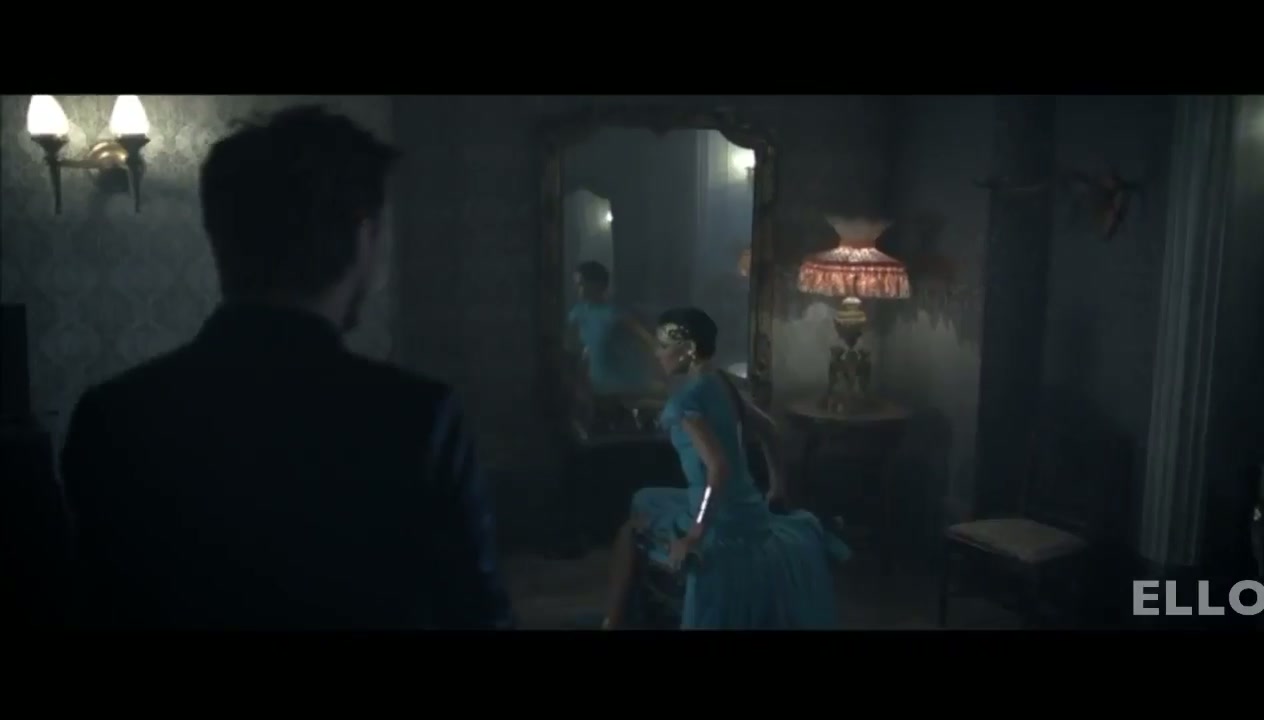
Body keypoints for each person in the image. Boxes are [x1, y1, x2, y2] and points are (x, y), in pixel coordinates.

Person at [60, 106, 513, 630]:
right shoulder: (418, 419)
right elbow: (479, 618)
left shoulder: (112, 417)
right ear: (363, 237)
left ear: (217, 235)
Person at [602, 307, 848, 629]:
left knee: (631, 528)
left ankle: (613, 622)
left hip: (720, 520)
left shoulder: (685, 403)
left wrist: (696, 533)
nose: (657, 353)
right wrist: (777, 488)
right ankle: (640, 614)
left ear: (689, 348)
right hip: (750, 511)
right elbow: (770, 430)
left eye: (663, 345)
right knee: (645, 497)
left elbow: (718, 468)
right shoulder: (721, 383)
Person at [566, 261, 657, 395]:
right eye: (577, 284)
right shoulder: (577, 313)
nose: (577, 288)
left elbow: (647, 340)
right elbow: (569, 344)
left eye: (581, 284)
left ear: (597, 284)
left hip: (618, 389)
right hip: (591, 388)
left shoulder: (615, 314)